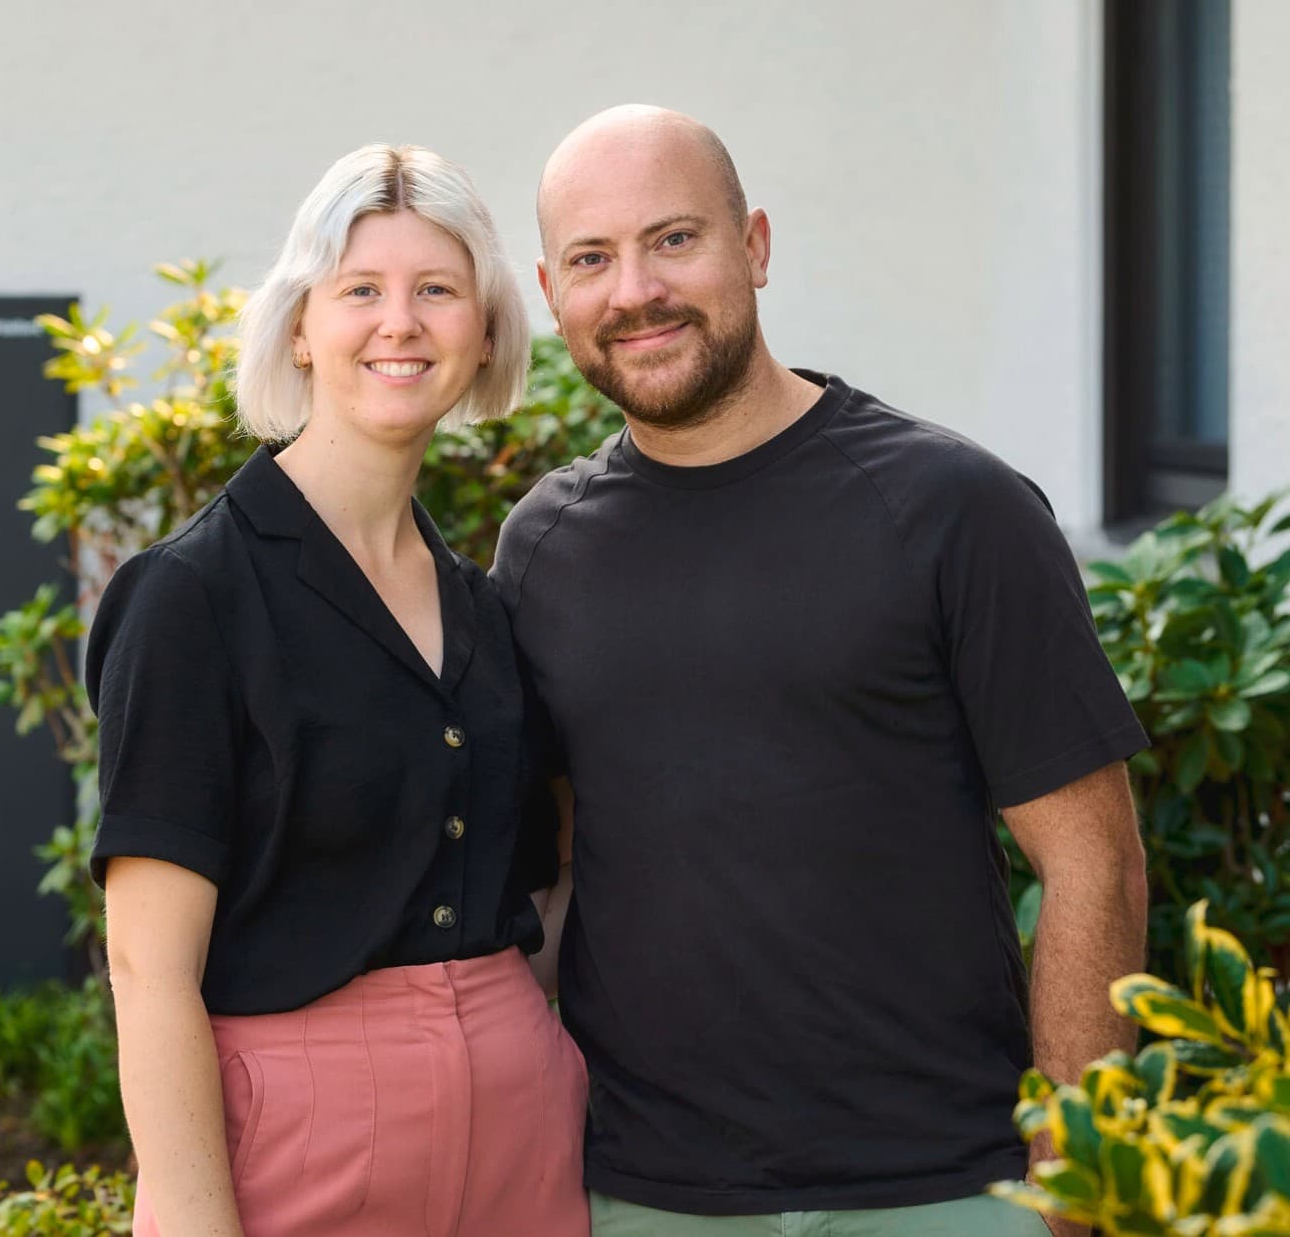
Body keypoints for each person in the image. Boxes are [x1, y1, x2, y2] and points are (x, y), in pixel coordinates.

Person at [492, 105, 1150, 1237]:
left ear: (754, 244)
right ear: (553, 297)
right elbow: (548, 878)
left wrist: (1073, 1173)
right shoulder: (542, 549)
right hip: (647, 1197)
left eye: (674, 239)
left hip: (948, 1189)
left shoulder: (955, 509)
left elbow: (1096, 860)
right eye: (592, 260)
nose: (635, 289)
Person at [88, 143, 591, 1237]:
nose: (399, 323)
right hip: (301, 1139)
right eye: (360, 289)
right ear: (301, 328)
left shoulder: (488, 606)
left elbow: (543, 890)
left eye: (437, 291)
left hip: (522, 1136)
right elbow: (146, 962)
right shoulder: (191, 596)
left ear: (487, 330)